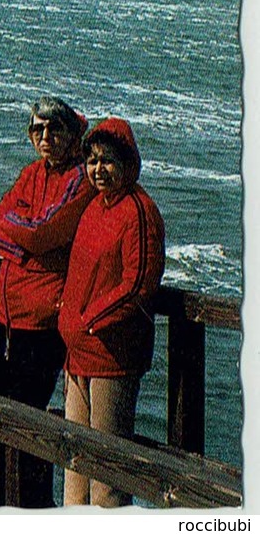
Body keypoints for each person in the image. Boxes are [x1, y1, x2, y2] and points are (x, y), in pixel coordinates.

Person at [0, 95, 94, 508]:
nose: (46, 137)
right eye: (38, 130)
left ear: (74, 136)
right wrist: (27, 235)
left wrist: (23, 233)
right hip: (6, 317)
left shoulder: (81, 181)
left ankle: (30, 507)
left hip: (42, 321)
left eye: (56, 129)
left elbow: (42, 233)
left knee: (27, 421)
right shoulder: (31, 173)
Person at [58, 117, 165, 507]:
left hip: (112, 356)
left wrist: (88, 323)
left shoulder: (139, 210)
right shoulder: (93, 208)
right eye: (92, 161)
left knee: (107, 473)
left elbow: (138, 283)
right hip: (77, 354)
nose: (98, 169)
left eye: (107, 161)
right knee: (75, 463)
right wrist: (66, 318)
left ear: (127, 164)